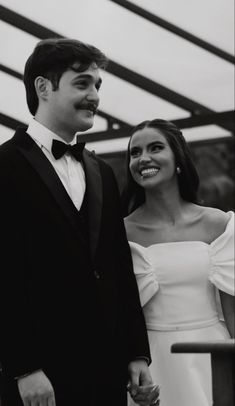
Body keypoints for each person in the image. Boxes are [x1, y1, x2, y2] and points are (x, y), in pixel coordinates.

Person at [0, 38, 155, 406]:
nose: (95, 96)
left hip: (107, 372)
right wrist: (24, 367)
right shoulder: (3, 167)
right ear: (43, 87)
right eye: (82, 83)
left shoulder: (102, 171)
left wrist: (137, 352)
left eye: (97, 86)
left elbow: (118, 265)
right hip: (39, 380)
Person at [122, 119, 234, 406]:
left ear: (179, 159)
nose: (143, 158)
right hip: (151, 364)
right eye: (135, 152)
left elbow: (232, 311)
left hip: (213, 356)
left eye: (155, 148)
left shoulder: (219, 224)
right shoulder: (117, 233)